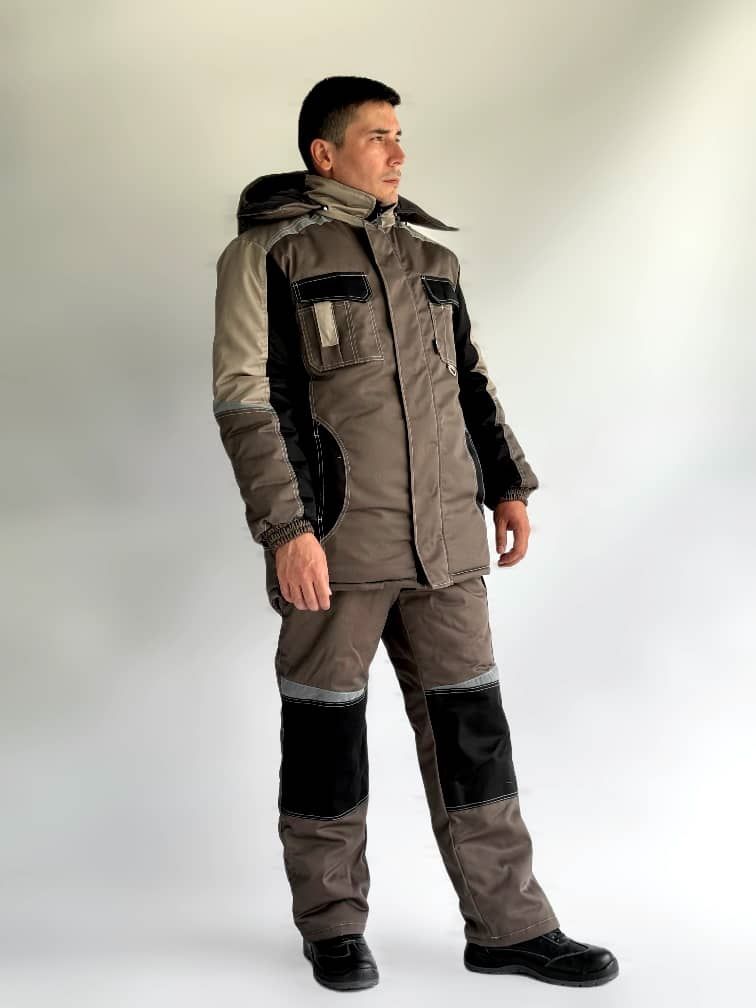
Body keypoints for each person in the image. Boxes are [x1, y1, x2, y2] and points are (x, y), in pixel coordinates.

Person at [212, 75, 619, 992]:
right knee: (325, 739)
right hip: (336, 547)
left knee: (475, 737)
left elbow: (469, 383)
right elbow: (245, 399)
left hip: (447, 547)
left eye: (401, 135)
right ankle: (332, 928)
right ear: (324, 153)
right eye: (378, 136)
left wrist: (507, 483)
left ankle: (510, 928)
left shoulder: (434, 262)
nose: (399, 153)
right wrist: (287, 528)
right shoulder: (268, 253)